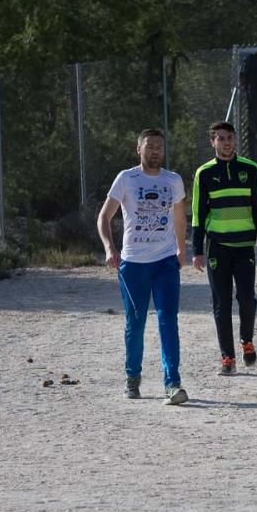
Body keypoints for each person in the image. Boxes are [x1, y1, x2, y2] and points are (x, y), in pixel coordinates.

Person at [97, 129, 188, 405]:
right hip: (133, 263)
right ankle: (132, 378)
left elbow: (179, 217)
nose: (155, 151)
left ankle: (172, 383)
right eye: (150, 146)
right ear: (139, 150)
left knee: (167, 320)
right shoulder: (126, 179)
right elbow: (104, 217)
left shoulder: (173, 180)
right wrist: (109, 248)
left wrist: (182, 248)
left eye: (159, 146)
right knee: (135, 324)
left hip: (165, 262)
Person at [192, 121, 257, 375]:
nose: (226, 143)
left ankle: (246, 340)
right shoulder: (203, 173)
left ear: (235, 140)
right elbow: (198, 213)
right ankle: (227, 357)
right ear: (212, 142)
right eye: (221, 138)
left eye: (230, 138)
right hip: (217, 247)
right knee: (221, 303)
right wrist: (197, 250)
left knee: (247, 300)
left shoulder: (251, 169)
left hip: (244, 246)